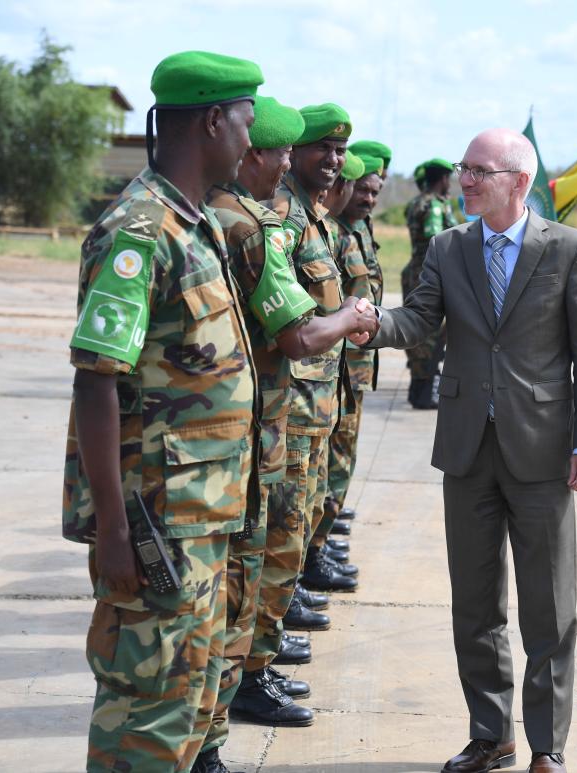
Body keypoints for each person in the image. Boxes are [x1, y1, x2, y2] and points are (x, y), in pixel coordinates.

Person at [357, 127, 577, 773]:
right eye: (464, 169)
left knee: (549, 609)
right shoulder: (448, 247)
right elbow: (419, 319)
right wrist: (371, 322)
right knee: (475, 604)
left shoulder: (570, 251)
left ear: (519, 182)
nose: (465, 179)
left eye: (480, 170)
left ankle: (547, 746)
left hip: (544, 451)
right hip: (468, 449)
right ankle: (490, 734)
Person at [62, 51, 263, 773]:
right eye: (244, 122)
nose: (250, 137)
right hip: (155, 525)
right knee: (145, 712)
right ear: (213, 120)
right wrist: (114, 530)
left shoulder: (194, 223)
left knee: (188, 695)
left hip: (202, 517)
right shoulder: (139, 232)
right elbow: (95, 384)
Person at [203, 98, 378, 744]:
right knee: (260, 559)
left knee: (275, 553)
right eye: (300, 151)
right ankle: (248, 676)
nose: (330, 163)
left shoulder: (291, 221)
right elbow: (299, 334)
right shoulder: (260, 225)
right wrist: (354, 318)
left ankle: (252, 668)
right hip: (274, 419)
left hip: (295, 414)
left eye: (339, 153)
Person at [260, 103, 361, 598]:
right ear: (292, 150)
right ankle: (268, 631)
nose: (333, 158)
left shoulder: (313, 215)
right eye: (323, 146)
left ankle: (287, 595)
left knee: (304, 509)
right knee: (286, 518)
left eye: (340, 150)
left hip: (317, 402)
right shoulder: (282, 212)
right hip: (292, 403)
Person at [316, 152, 382, 560]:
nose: (368, 199)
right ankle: (314, 553)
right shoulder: (328, 232)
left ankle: (319, 543)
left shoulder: (351, 231)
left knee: (338, 460)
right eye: (360, 189)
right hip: (329, 373)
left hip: (350, 370)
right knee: (327, 464)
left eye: (376, 191)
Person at [403, 158, 458, 409]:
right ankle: (424, 392)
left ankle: (418, 389)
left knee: (418, 331)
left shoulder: (416, 202)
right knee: (430, 334)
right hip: (430, 274)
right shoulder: (434, 205)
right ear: (443, 179)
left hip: (415, 270)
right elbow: (439, 237)